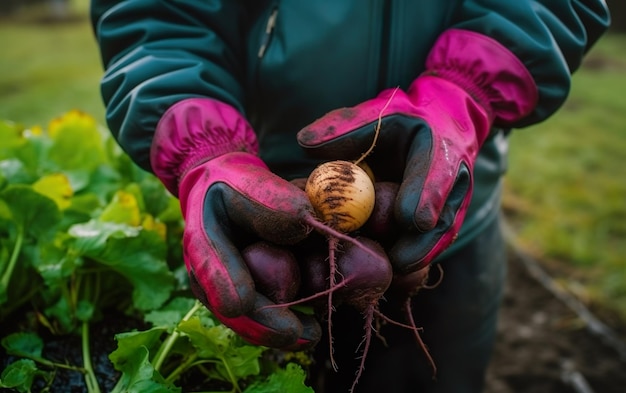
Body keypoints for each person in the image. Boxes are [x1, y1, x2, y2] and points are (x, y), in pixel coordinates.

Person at [90, 1, 610, 392]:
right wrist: (201, 145)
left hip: (447, 199)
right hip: (264, 201)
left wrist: (464, 90)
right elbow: (154, 15)